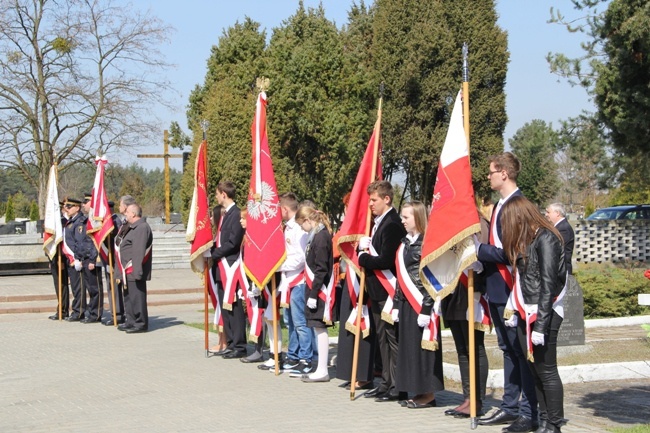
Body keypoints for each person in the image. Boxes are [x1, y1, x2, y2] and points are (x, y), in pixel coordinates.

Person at [476, 152, 538, 432]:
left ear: (503, 173)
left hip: (512, 289)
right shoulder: (501, 204)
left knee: (520, 352)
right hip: (497, 288)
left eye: (491, 172)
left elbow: (513, 252)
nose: (487, 177)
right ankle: (510, 406)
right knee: (508, 350)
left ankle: (529, 411)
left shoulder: (517, 205)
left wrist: (479, 251)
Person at [501, 196, 567, 433]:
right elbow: (521, 279)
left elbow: (549, 283)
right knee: (534, 370)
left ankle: (554, 424)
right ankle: (543, 419)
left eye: (507, 223)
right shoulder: (526, 240)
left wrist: (541, 324)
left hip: (543, 312)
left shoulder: (546, 237)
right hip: (525, 310)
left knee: (547, 370)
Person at [358, 180, 407, 402]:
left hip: (388, 290)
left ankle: (397, 385)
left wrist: (363, 257)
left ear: (387, 199)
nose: (370, 204)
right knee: (382, 338)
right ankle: (386, 382)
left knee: (392, 338)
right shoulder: (378, 223)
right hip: (376, 290)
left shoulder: (393, 224)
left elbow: (386, 260)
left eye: (374, 199)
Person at [442, 201, 490, 417]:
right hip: (452, 291)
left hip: (470, 289)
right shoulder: (447, 225)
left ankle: (477, 400)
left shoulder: (478, 223)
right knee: (462, 349)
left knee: (474, 348)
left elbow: (486, 255)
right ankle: (467, 397)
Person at [394, 201, 443, 408]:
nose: (402, 221)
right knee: (410, 349)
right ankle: (417, 389)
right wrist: (396, 303)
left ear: (418, 217)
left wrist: (426, 307)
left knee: (424, 350)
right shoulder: (405, 243)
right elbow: (400, 275)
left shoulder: (427, 243)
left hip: (422, 304)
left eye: (406, 217)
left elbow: (432, 278)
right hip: (406, 302)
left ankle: (429, 393)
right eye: (402, 217)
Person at [264, 193, 310, 373]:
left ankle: (305, 359)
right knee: (289, 321)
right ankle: (293, 355)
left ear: (284, 209)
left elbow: (300, 257)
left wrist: (278, 266)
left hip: (297, 279)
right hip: (287, 280)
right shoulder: (287, 227)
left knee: (299, 323)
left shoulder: (297, 228)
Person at [335, 192, 376, 390]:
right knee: (348, 326)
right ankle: (350, 371)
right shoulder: (350, 228)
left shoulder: (368, 227)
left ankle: (363, 375)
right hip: (348, 282)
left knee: (362, 327)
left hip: (363, 282)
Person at [294, 206, 334, 382]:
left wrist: (313, 293)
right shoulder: (315, 235)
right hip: (314, 289)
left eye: (301, 225)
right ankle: (320, 368)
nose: (302, 229)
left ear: (307, 220)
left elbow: (321, 268)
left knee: (320, 327)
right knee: (317, 328)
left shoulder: (321, 236)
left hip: (320, 291)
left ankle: (322, 369)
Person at [210, 181, 247, 358]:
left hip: (230, 267)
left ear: (224, 194)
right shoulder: (225, 214)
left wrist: (214, 253)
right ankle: (231, 343)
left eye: (217, 194)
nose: (216, 197)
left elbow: (233, 242)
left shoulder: (236, 214)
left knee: (234, 308)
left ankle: (240, 345)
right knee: (226, 308)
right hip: (221, 268)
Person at [116, 203, 153, 333]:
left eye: (127, 212)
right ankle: (131, 321)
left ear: (133, 213)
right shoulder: (132, 227)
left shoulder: (141, 227)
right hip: (127, 270)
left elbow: (138, 251)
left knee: (137, 298)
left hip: (134, 270)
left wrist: (137, 271)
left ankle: (140, 323)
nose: (125, 214)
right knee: (129, 297)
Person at [60, 197, 95, 322]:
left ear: (77, 208)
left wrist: (77, 258)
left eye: (69, 207)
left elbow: (80, 242)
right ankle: (77, 310)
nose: (66, 209)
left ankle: (79, 311)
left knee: (79, 287)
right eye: (66, 207)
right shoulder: (71, 222)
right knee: (75, 287)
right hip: (72, 259)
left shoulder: (80, 222)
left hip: (77, 259)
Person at [108, 195, 136, 327]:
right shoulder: (125, 223)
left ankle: (134, 320)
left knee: (132, 295)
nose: (119, 207)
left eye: (120, 204)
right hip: (121, 263)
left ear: (126, 207)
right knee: (126, 294)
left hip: (128, 264)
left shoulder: (134, 224)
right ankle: (129, 320)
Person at [80, 193, 103, 323]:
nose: (83, 205)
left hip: (92, 259)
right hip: (85, 258)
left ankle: (96, 314)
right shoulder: (87, 219)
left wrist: (93, 259)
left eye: (86, 202)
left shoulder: (95, 220)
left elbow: (95, 241)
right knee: (90, 288)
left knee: (95, 288)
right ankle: (92, 312)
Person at [102, 200, 125, 326]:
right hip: (108, 259)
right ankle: (114, 313)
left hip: (114, 260)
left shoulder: (115, 222)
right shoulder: (107, 222)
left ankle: (118, 315)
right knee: (111, 288)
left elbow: (116, 243)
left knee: (115, 289)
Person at [48, 201, 70, 320]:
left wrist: (61, 260)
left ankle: (63, 310)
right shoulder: (51, 222)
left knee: (62, 285)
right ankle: (61, 308)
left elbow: (64, 242)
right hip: (54, 258)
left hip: (62, 259)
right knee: (58, 285)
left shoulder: (63, 223)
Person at [545, 203, 574, 275]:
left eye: (548, 212)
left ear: (557, 213)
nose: (546, 215)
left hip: (562, 272)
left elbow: (556, 249)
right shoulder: (559, 227)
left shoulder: (563, 229)